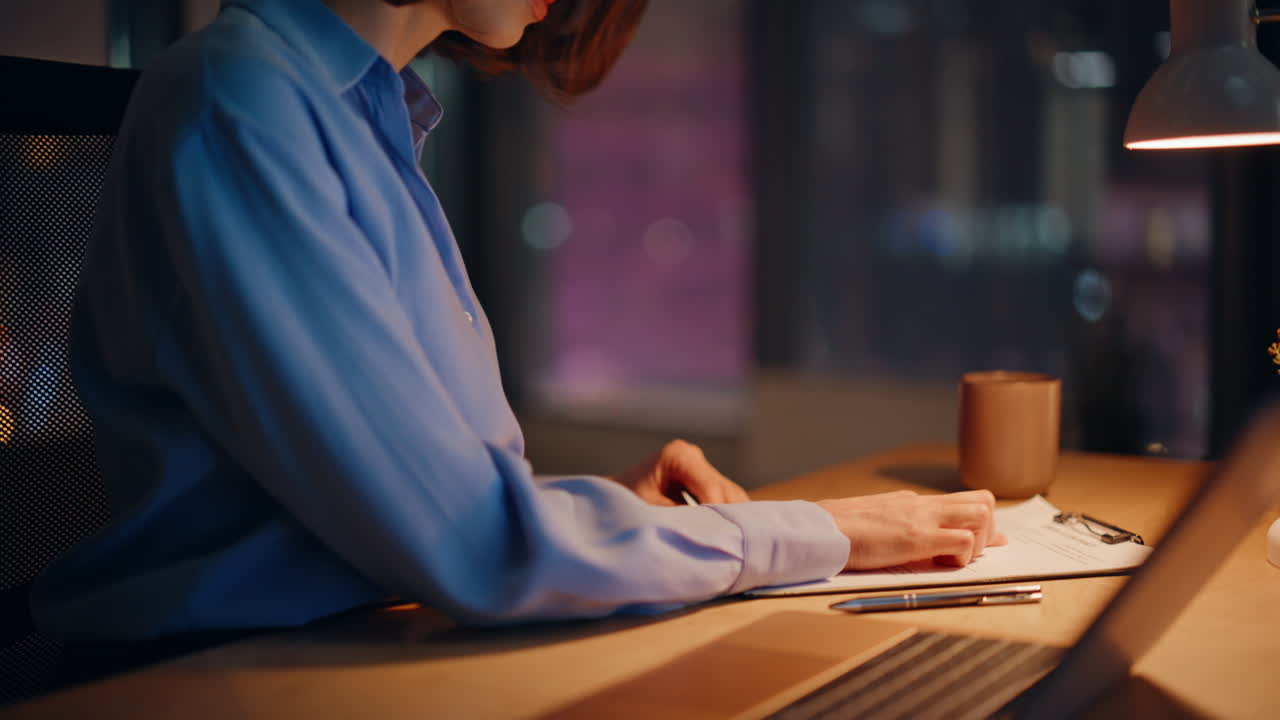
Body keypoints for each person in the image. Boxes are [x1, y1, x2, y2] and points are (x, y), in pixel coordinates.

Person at [32, 0, 1004, 657]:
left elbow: (429, 504)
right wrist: (815, 532)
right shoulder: (242, 106)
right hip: (215, 677)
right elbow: (471, 540)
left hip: (374, 640)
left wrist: (597, 515)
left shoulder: (361, 123)